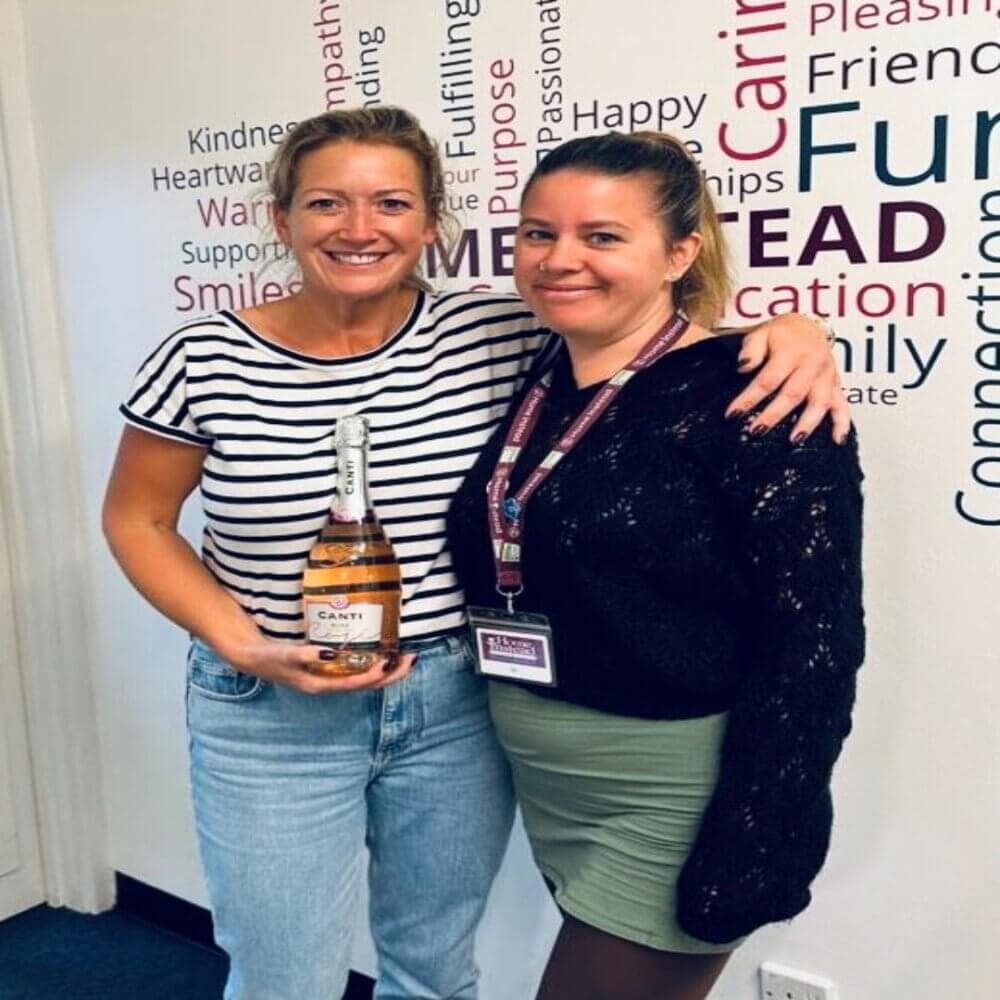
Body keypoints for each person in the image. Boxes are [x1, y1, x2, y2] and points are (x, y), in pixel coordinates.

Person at [103, 106, 849, 1000]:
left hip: (451, 698)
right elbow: (137, 521)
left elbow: (650, 340)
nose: (358, 228)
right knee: (283, 975)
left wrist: (797, 331)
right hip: (271, 706)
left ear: (430, 224)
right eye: (326, 204)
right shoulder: (204, 356)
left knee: (432, 967)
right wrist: (238, 641)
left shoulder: (501, 334)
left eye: (390, 203)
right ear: (282, 219)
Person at [447, 131, 865, 1000]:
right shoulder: (536, 374)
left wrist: (762, 830)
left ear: (682, 250)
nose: (561, 260)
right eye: (537, 233)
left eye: (603, 237)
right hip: (542, 764)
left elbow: (815, 640)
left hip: (667, 786)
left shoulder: (759, 396)